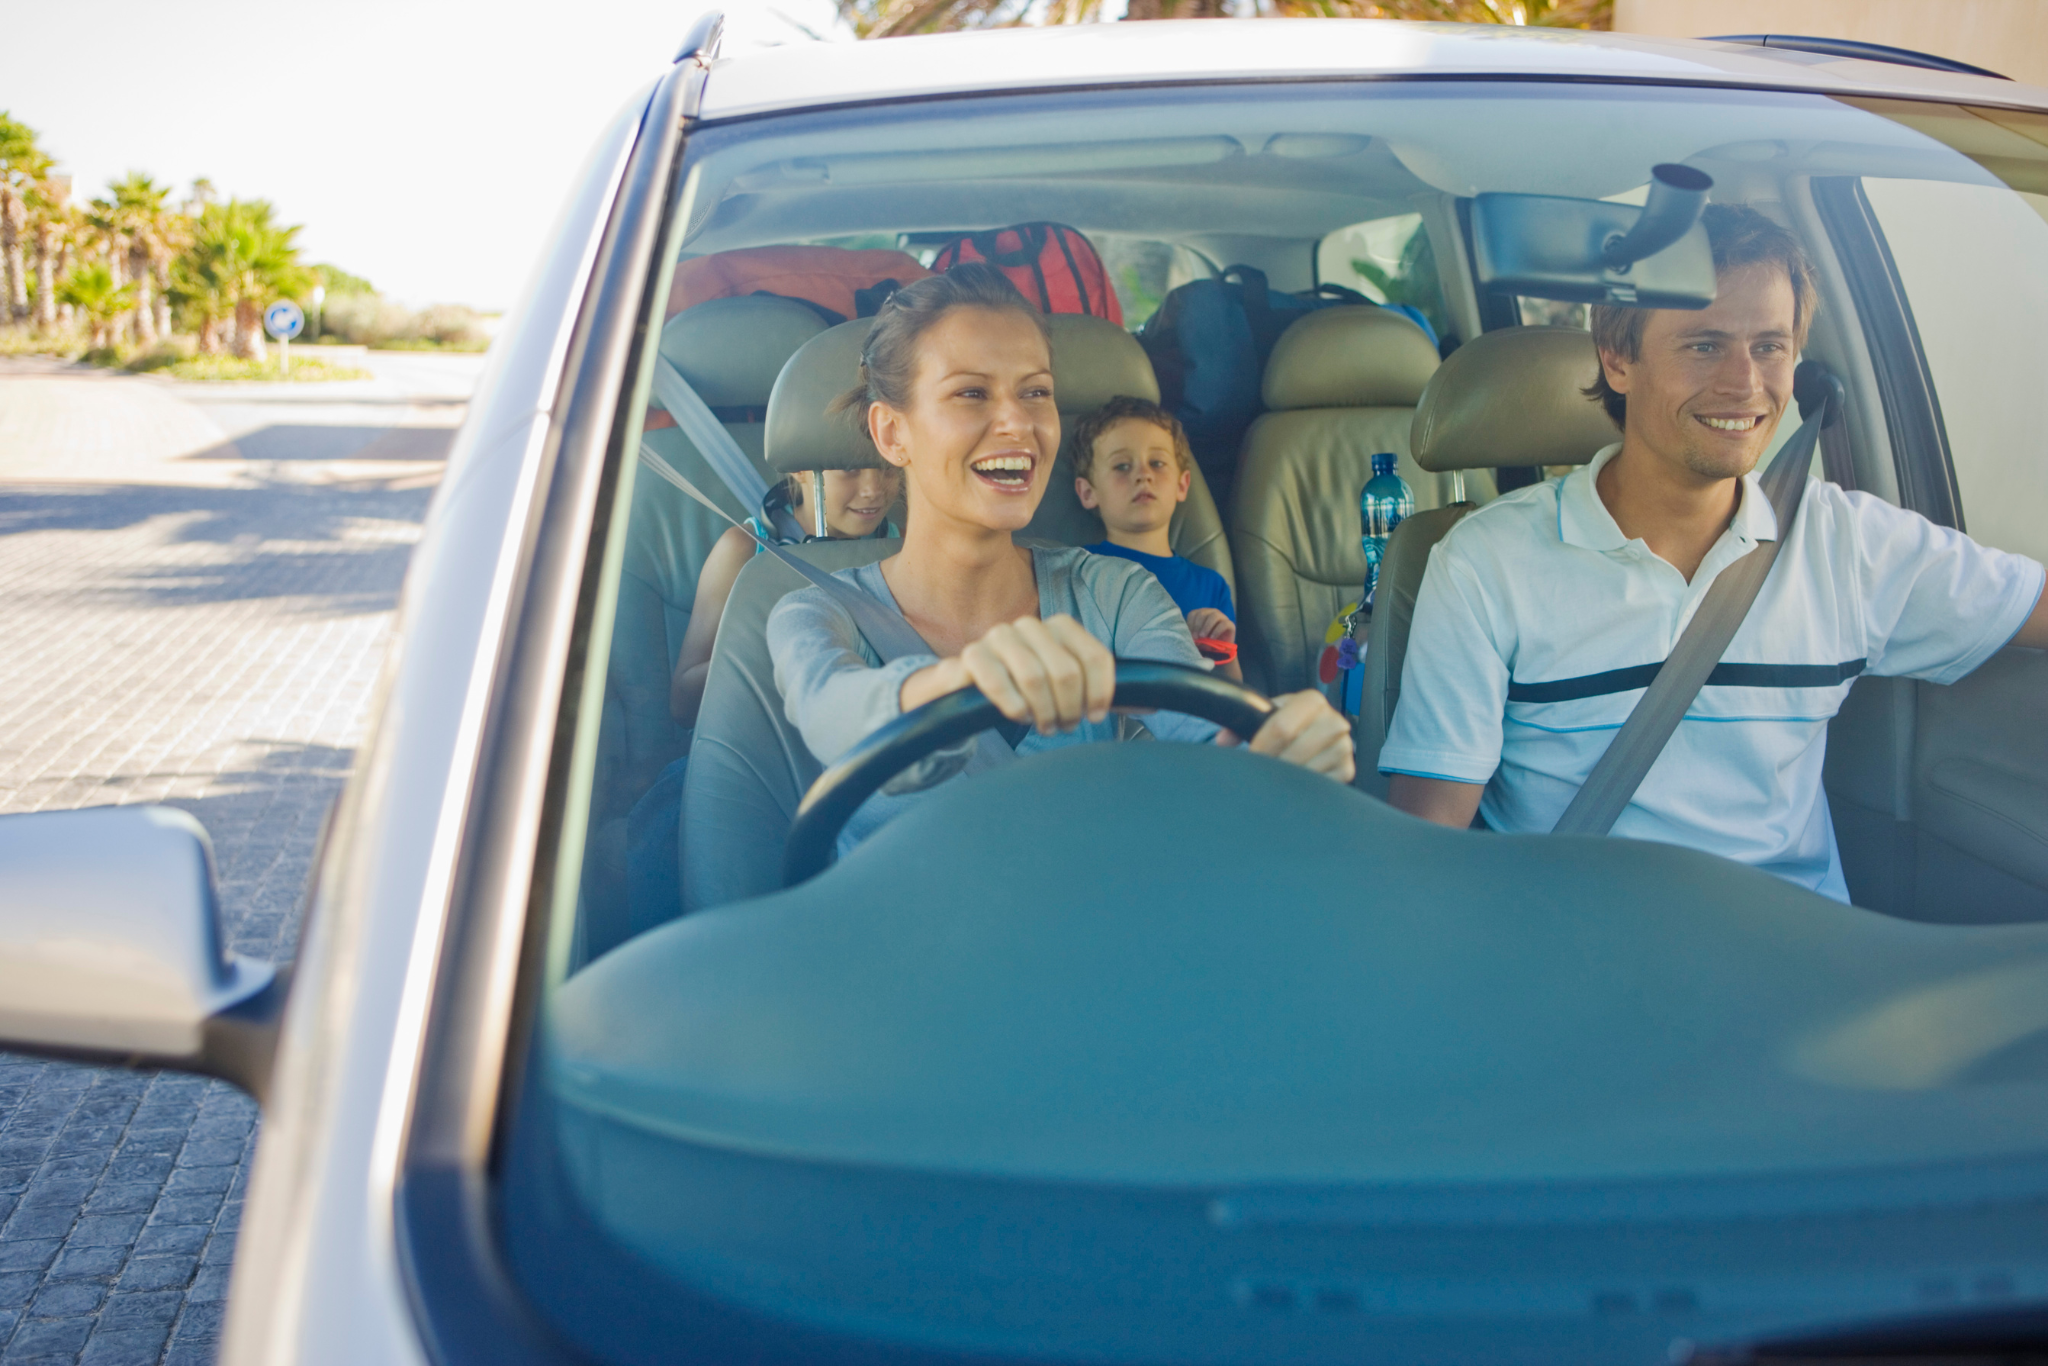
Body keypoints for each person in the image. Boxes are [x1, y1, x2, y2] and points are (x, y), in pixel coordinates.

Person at [1380, 203, 2048, 900]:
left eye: (1770, 346)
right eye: (1703, 345)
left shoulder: (1847, 542)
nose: (1745, 383)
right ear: (1618, 359)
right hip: (1586, 970)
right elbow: (1427, 851)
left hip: (1802, 972)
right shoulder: (1485, 564)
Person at [767, 263, 1353, 854]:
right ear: (892, 433)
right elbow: (833, 713)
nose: (1019, 422)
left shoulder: (1116, 592)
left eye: (1037, 392)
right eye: (972, 393)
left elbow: (1199, 736)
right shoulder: (815, 613)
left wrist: (1274, 747)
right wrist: (961, 683)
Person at [669, 466, 902, 726]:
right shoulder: (743, 550)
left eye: (887, 468)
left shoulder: (900, 547)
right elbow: (684, 702)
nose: (873, 490)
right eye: (849, 469)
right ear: (800, 469)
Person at [1071, 395, 1243, 682]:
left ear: (1182, 484)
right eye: (1122, 466)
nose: (1143, 475)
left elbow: (1233, 691)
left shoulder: (1210, 586)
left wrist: (1223, 651)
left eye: (1157, 463)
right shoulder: (1076, 573)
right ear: (1088, 492)